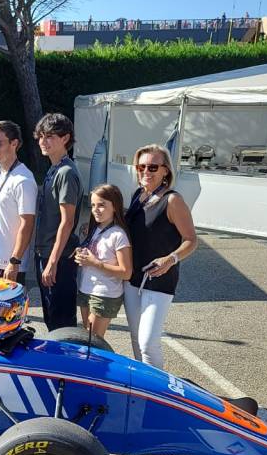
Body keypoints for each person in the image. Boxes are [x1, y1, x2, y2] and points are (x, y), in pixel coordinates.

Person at [123, 144, 198, 369]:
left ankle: (159, 387)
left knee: (148, 343)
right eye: (141, 167)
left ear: (166, 171)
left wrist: (170, 259)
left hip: (160, 280)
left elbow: (191, 240)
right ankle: (143, 384)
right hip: (133, 279)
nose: (146, 171)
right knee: (136, 339)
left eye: (153, 167)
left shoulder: (173, 201)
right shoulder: (138, 196)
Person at [34, 113, 84, 331]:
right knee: (52, 320)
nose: (43, 142)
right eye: (41, 136)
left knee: (62, 325)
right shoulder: (54, 168)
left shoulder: (66, 172)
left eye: (50, 136)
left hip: (59, 258)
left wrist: (52, 262)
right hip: (46, 253)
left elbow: (67, 221)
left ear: (65, 138)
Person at [74, 184, 132, 341]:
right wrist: (82, 254)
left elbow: (126, 272)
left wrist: (95, 263)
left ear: (115, 206)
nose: (95, 210)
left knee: (93, 342)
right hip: (86, 289)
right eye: (93, 205)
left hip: (105, 294)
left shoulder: (118, 235)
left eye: (101, 205)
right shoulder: (95, 229)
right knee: (88, 339)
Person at [0, 121, 36, 285]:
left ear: (14, 144)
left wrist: (15, 260)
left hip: (10, 264)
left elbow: (27, 223)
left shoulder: (23, 180)